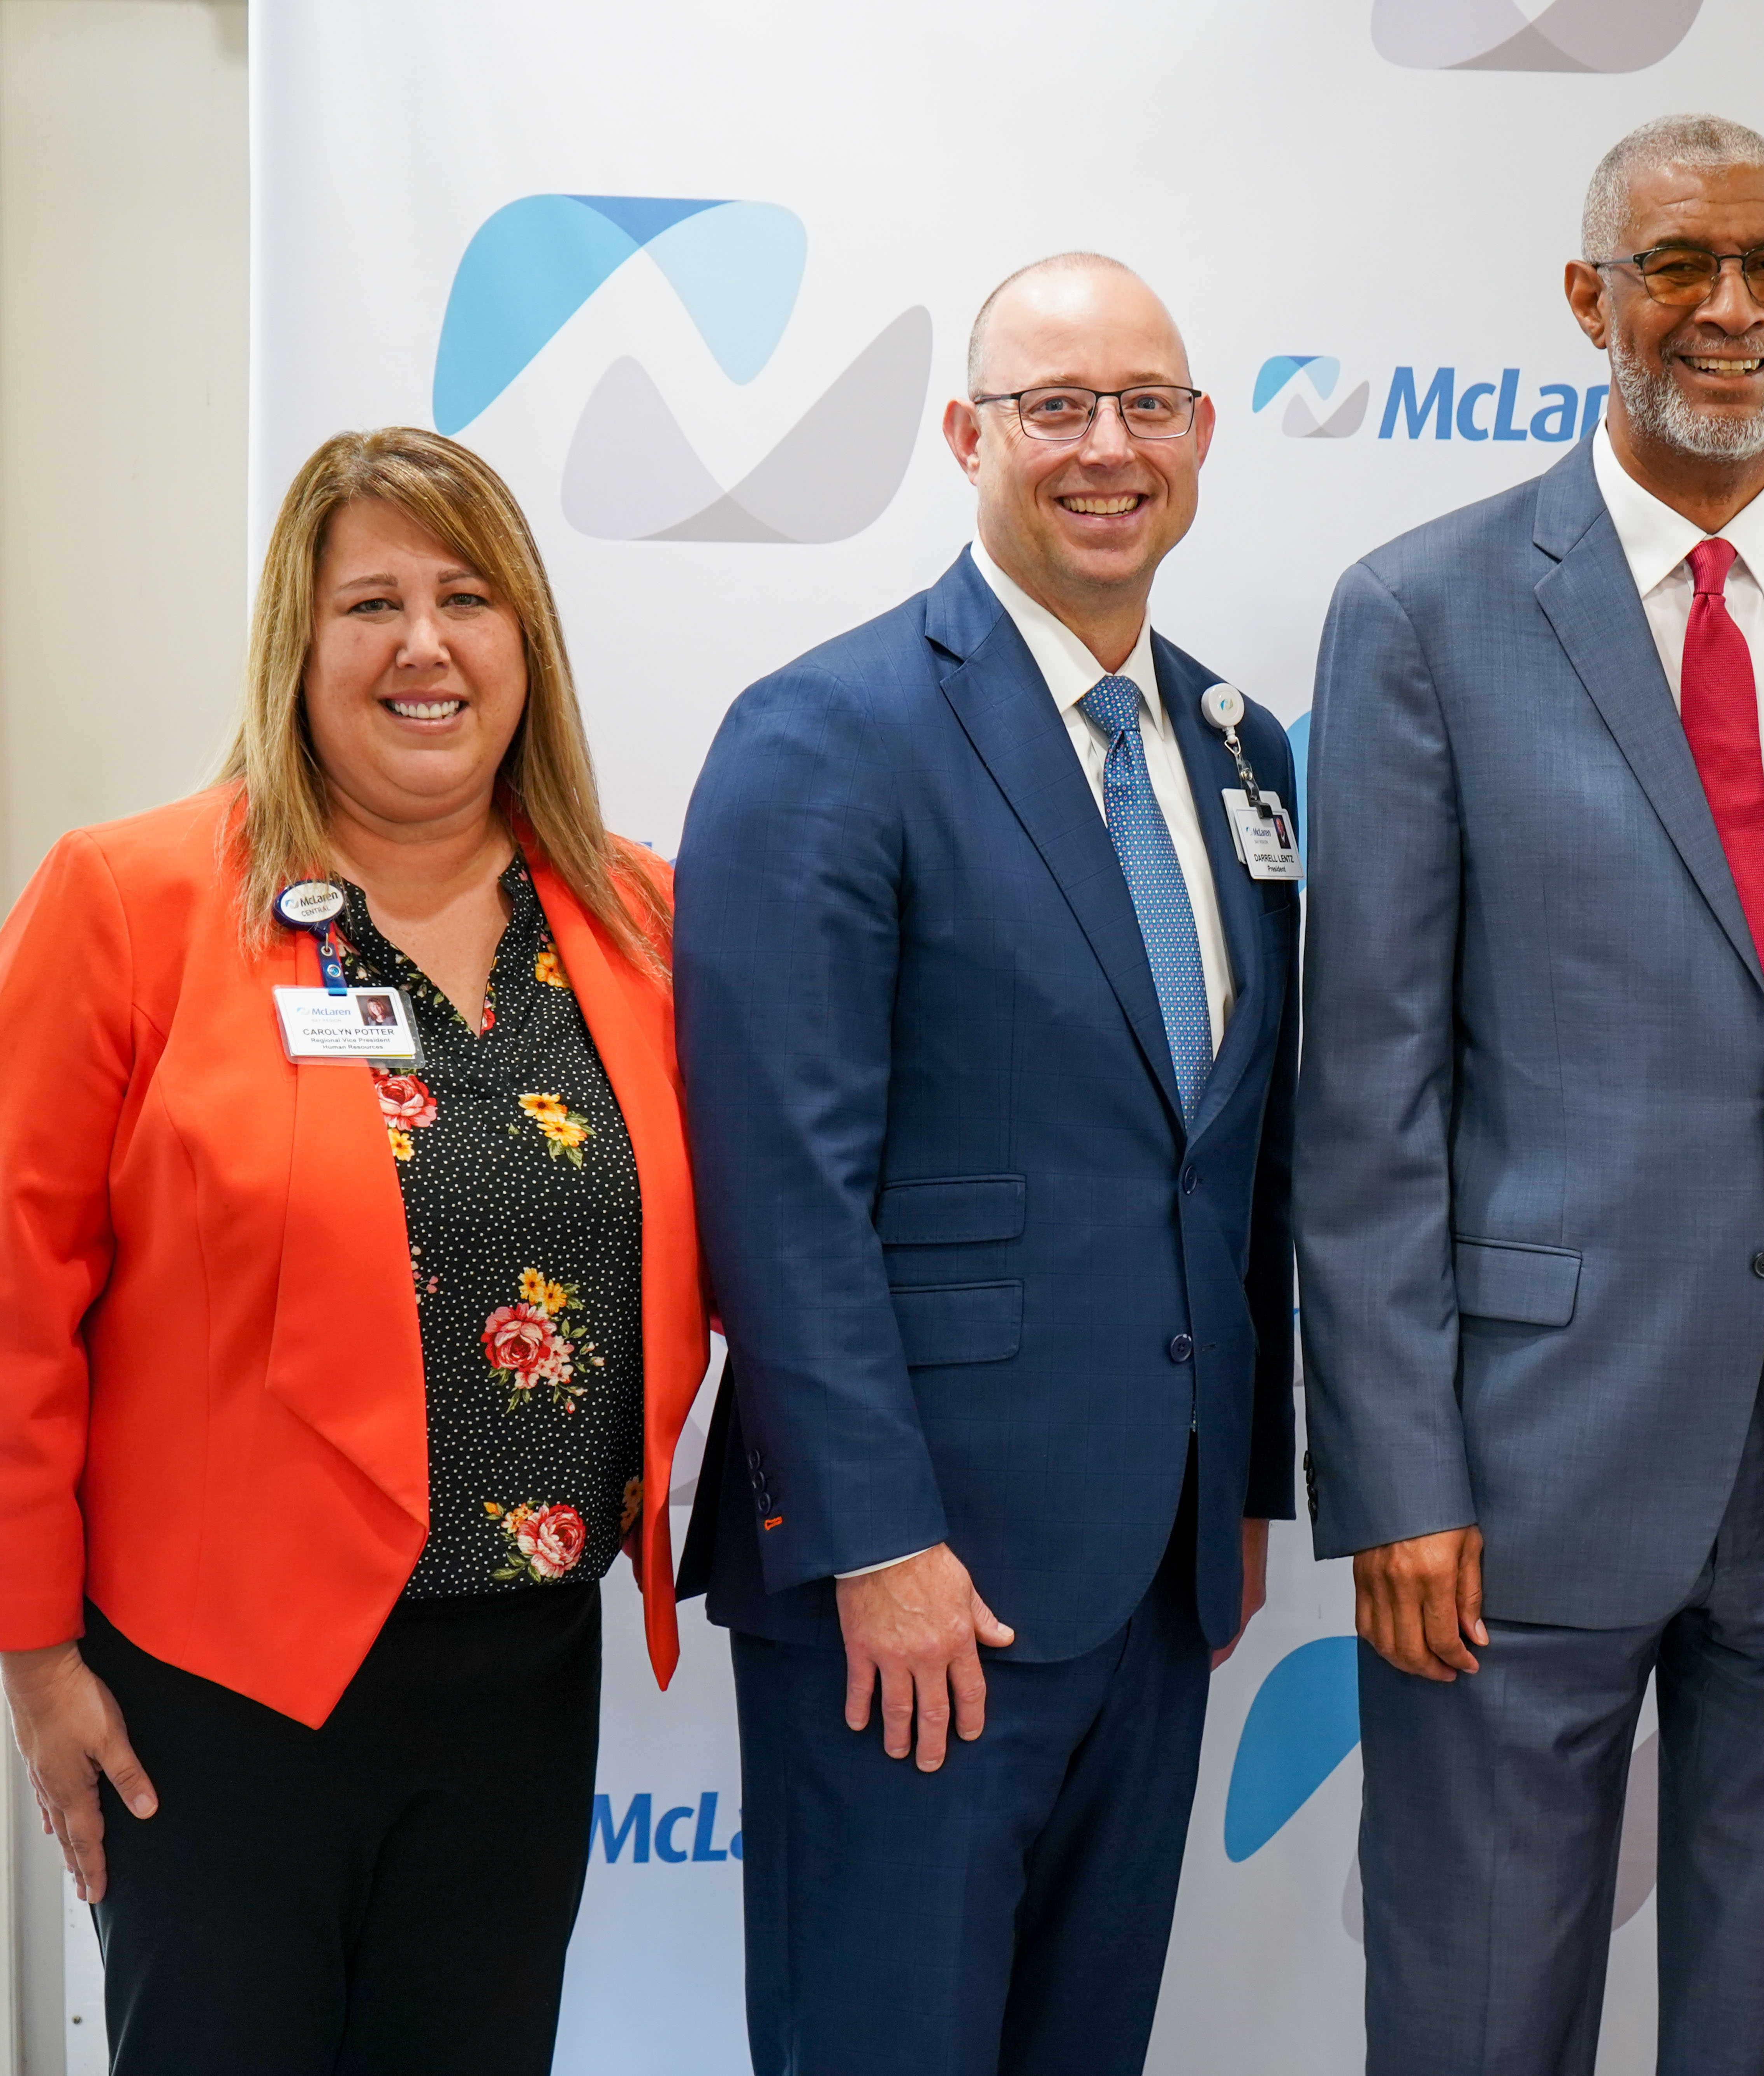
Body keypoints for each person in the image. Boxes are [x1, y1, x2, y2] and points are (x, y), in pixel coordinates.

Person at [1297, 115, 1764, 2074]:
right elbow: (1363, 1080)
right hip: (1516, 1467)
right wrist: (1395, 1471)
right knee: (1473, 2012)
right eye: (1679, 264)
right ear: (1586, 297)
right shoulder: (1422, 610)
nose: (1727, 308)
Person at [0, 427, 709, 2074]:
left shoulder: (640, 922)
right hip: (216, 1692)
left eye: (468, 596)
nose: (425, 643)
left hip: (521, 1672)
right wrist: (34, 1664)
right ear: (297, 641)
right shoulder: (126, 903)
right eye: (372, 602)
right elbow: (0, 1305)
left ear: (526, 645)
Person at [674, 253, 1296, 2076]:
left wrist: (1238, 1482)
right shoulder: (826, 733)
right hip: (915, 1589)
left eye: (1145, 405)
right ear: (965, 435)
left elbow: (1229, 1156)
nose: (1106, 448)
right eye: (1054, 407)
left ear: (1197, 437)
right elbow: (782, 1186)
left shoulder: (1237, 745)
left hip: (1153, 1579)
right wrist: (877, 1538)